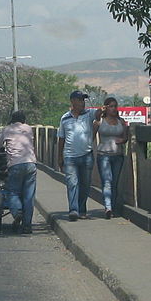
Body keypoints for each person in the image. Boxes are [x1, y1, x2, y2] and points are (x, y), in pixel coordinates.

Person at [0, 110, 36, 234]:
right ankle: (27, 226)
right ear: (23, 120)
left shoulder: (7, 130)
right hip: (31, 164)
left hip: (15, 164)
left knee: (12, 192)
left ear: (12, 119)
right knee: (29, 196)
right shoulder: (29, 129)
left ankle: (17, 212)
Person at [57, 90, 97, 221]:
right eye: (80, 100)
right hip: (70, 157)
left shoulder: (89, 114)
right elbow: (61, 139)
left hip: (86, 155)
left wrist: (103, 109)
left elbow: (98, 114)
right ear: (73, 101)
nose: (82, 102)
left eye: (83, 100)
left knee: (85, 184)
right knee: (72, 183)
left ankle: (82, 209)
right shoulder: (65, 118)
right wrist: (59, 157)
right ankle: (73, 210)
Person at [95, 97, 128, 219]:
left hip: (117, 156)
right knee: (107, 182)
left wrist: (123, 140)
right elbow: (92, 135)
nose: (114, 109)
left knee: (114, 183)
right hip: (103, 155)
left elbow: (126, 137)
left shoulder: (121, 121)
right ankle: (108, 207)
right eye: (111, 106)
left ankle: (113, 207)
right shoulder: (100, 121)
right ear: (106, 108)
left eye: (115, 106)